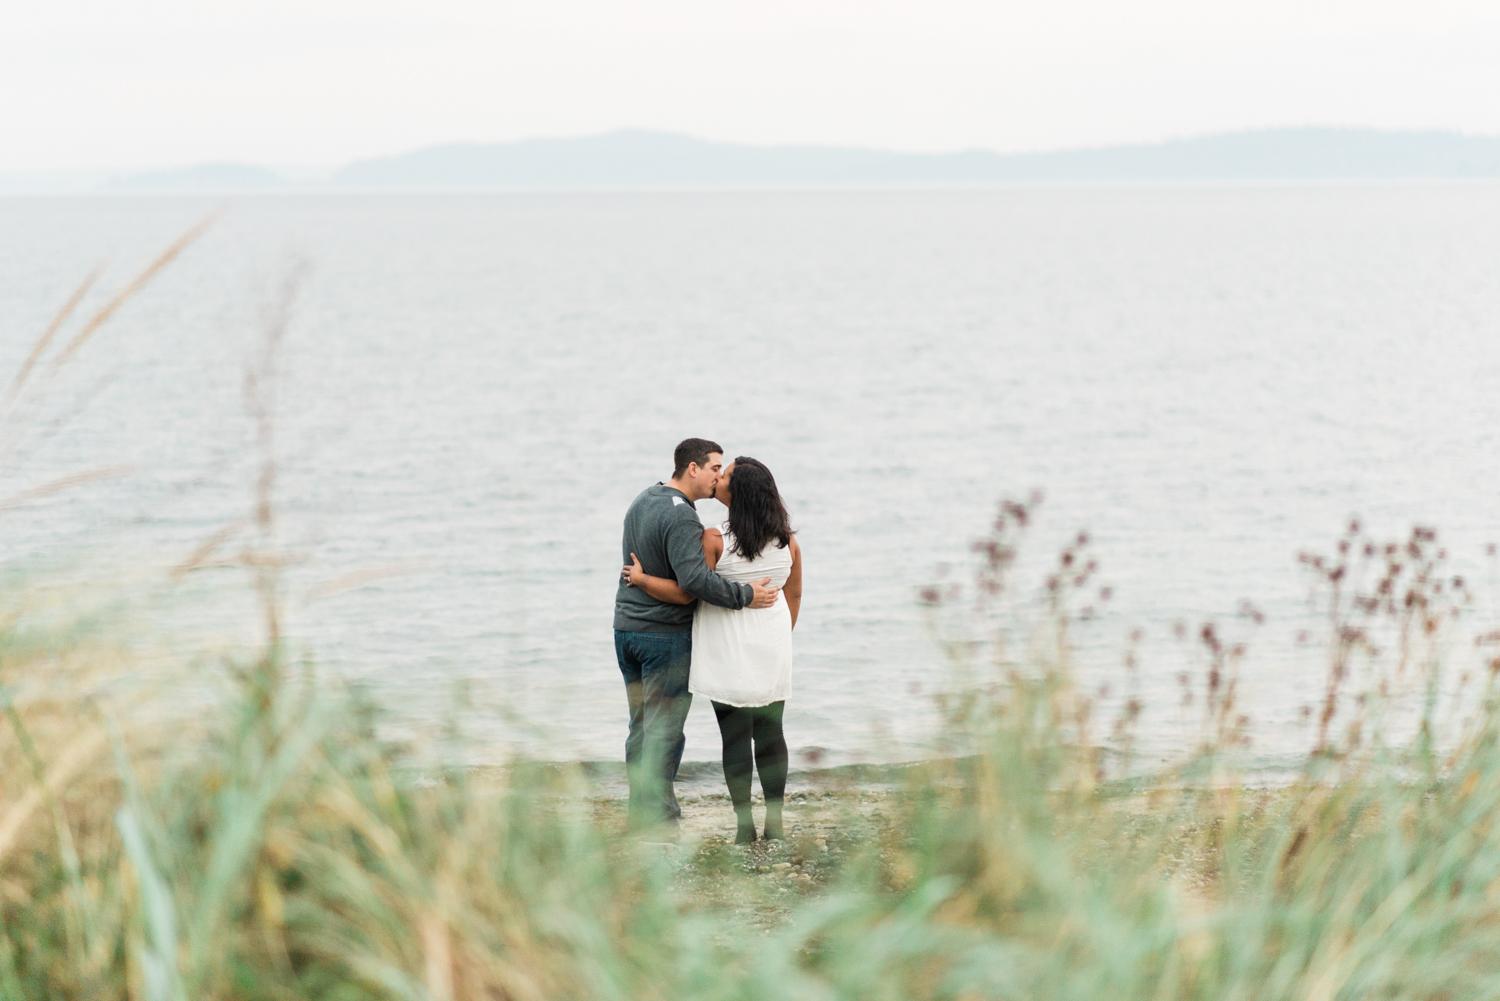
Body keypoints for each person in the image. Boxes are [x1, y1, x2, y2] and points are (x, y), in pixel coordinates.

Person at [625, 457, 802, 843]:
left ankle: (744, 827)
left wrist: (642, 580)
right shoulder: (788, 541)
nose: (718, 477)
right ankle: (776, 824)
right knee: (772, 734)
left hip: (727, 650)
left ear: (735, 493)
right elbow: (794, 594)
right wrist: (778, 636)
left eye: (726, 474)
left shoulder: (714, 539)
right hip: (772, 648)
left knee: (735, 737)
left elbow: (692, 592)